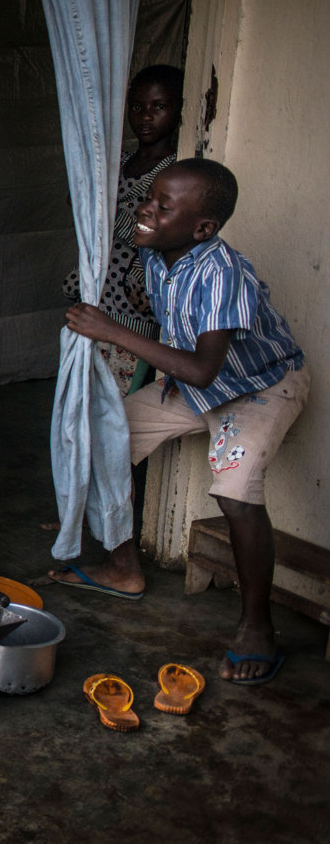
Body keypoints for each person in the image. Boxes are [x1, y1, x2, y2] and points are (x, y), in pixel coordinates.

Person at [55, 159, 309, 685]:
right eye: (150, 198)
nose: (146, 210)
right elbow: (176, 347)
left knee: (236, 493)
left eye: (162, 206)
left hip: (258, 389)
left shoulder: (222, 270)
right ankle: (123, 568)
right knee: (102, 435)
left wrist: (109, 331)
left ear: (203, 229)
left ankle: (257, 627)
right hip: (192, 388)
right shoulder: (157, 255)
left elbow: (202, 365)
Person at [63, 64, 184, 394]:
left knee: (121, 402)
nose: (146, 117)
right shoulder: (117, 163)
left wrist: (102, 210)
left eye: (159, 107)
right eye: (137, 107)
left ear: (179, 109)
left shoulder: (173, 172)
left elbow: (154, 232)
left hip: (135, 306)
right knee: (88, 394)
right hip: (99, 295)